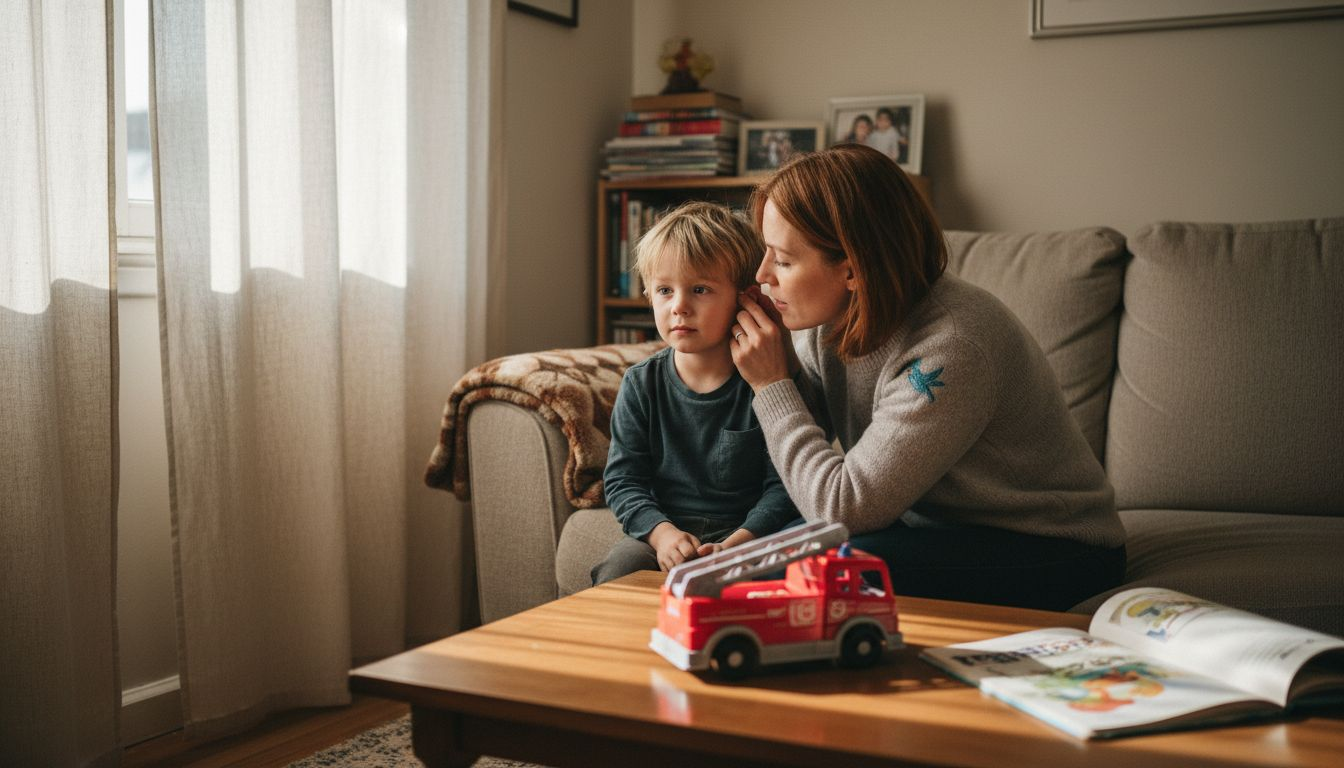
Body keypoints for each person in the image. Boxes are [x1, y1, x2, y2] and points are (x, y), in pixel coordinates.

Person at [729, 144, 1126, 610]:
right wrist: (770, 363)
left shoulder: (953, 345)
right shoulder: (829, 318)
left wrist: (773, 386)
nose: (762, 275)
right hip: (924, 528)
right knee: (751, 559)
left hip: (1052, 548)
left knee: (809, 571)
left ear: (852, 269)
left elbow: (842, 505)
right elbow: (800, 440)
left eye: (783, 260)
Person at [593, 202, 799, 584]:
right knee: (619, 569)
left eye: (700, 289)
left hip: (748, 538)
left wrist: (740, 542)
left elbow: (784, 486)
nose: (679, 307)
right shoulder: (641, 384)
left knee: (788, 572)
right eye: (665, 291)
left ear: (746, 299)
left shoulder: (768, 382)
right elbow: (624, 481)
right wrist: (662, 534)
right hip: (666, 536)